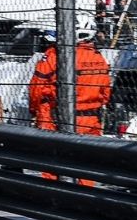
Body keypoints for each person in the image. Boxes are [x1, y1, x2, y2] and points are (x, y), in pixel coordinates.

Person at [28, 17, 111, 185]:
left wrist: (34, 110)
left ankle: (58, 203)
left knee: (54, 168)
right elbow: (105, 94)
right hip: (90, 119)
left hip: (56, 119)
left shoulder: (54, 55)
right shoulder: (99, 58)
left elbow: (37, 88)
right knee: (86, 167)